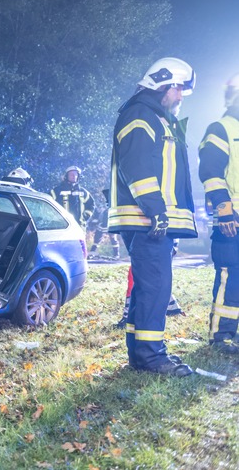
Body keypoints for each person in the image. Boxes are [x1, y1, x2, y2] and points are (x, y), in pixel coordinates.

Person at [108, 57, 197, 377]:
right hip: (147, 219)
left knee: (148, 287)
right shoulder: (141, 114)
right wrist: (156, 210)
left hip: (149, 219)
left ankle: (141, 353)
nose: (181, 95)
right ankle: (150, 357)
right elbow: (138, 165)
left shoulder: (153, 116)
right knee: (156, 288)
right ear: (162, 83)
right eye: (178, 88)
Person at [198, 72, 239, 354]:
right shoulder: (222, 127)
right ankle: (222, 335)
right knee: (229, 275)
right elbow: (211, 172)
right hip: (231, 221)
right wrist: (225, 211)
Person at [115, 240, 184, 330]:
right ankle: (173, 307)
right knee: (147, 276)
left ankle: (128, 315)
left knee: (140, 275)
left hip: (158, 240)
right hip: (151, 239)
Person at [88, 188, 120, 259]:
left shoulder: (114, 204)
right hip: (102, 225)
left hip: (111, 224)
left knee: (113, 239)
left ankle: (116, 254)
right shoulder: (102, 204)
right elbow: (98, 213)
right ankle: (92, 253)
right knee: (97, 240)